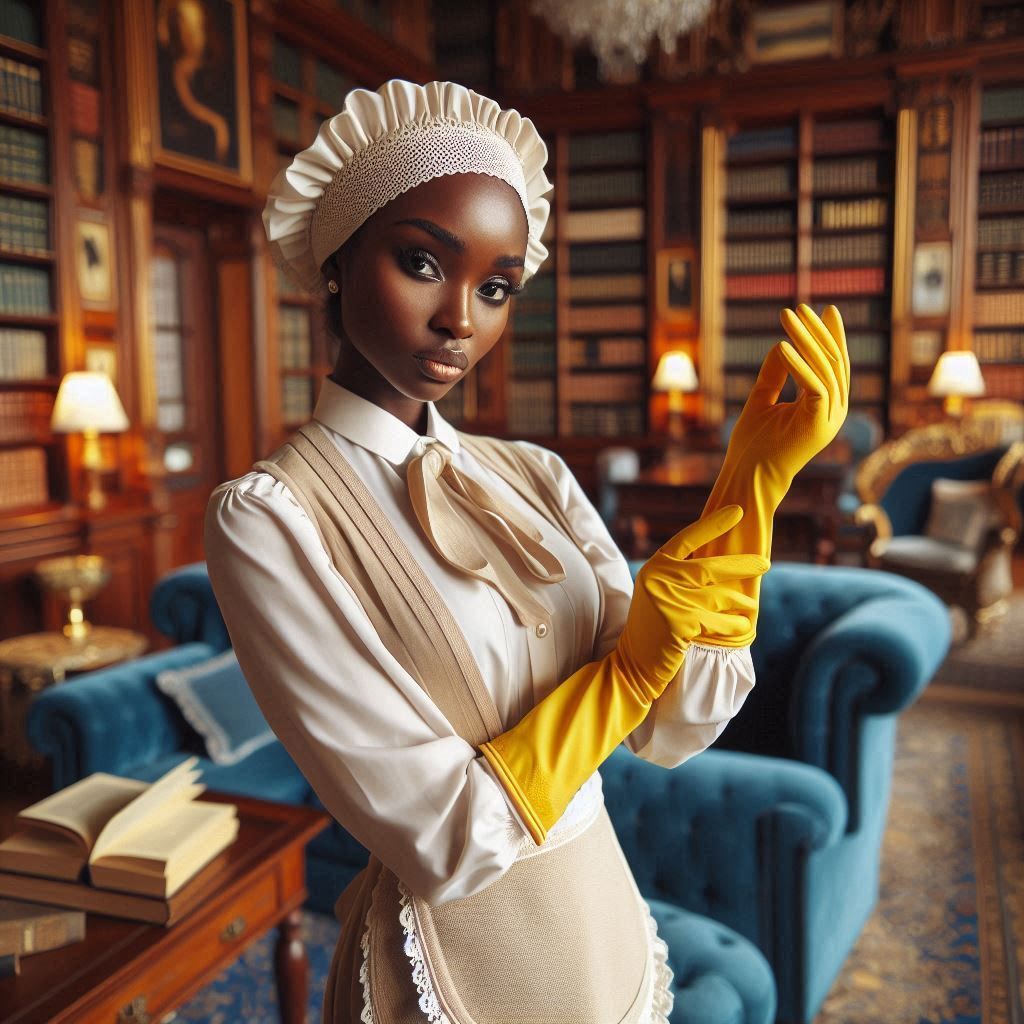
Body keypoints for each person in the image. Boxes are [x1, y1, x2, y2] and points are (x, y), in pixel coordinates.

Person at [205, 78, 849, 1023]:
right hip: (455, 960)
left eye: (496, 287)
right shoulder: (268, 518)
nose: (462, 318)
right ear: (336, 263)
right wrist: (621, 679)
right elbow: (440, 833)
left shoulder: (536, 475)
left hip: (599, 919)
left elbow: (674, 726)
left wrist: (751, 486)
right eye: (423, 263)